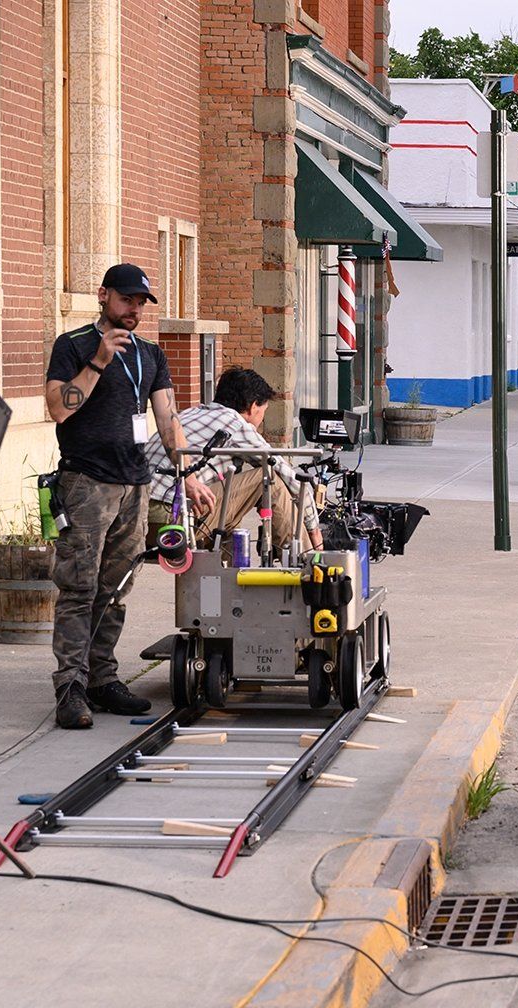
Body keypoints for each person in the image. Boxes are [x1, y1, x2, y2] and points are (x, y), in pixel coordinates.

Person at [45, 263, 188, 729]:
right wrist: (100, 361)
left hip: (135, 482)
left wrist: (187, 474)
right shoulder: (73, 346)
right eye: (127, 300)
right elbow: (58, 409)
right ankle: (70, 686)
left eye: (141, 303)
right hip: (87, 482)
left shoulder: (151, 354)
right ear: (104, 295)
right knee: (79, 587)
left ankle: (102, 677)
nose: (135, 310)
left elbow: (167, 418)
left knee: (117, 587)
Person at [142, 366, 323, 552]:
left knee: (230, 505)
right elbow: (287, 475)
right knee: (269, 477)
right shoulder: (234, 423)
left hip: (140, 517)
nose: (262, 419)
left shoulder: (189, 414)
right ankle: (307, 563)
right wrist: (314, 528)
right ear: (253, 406)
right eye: (263, 411)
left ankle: (222, 577)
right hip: (170, 518)